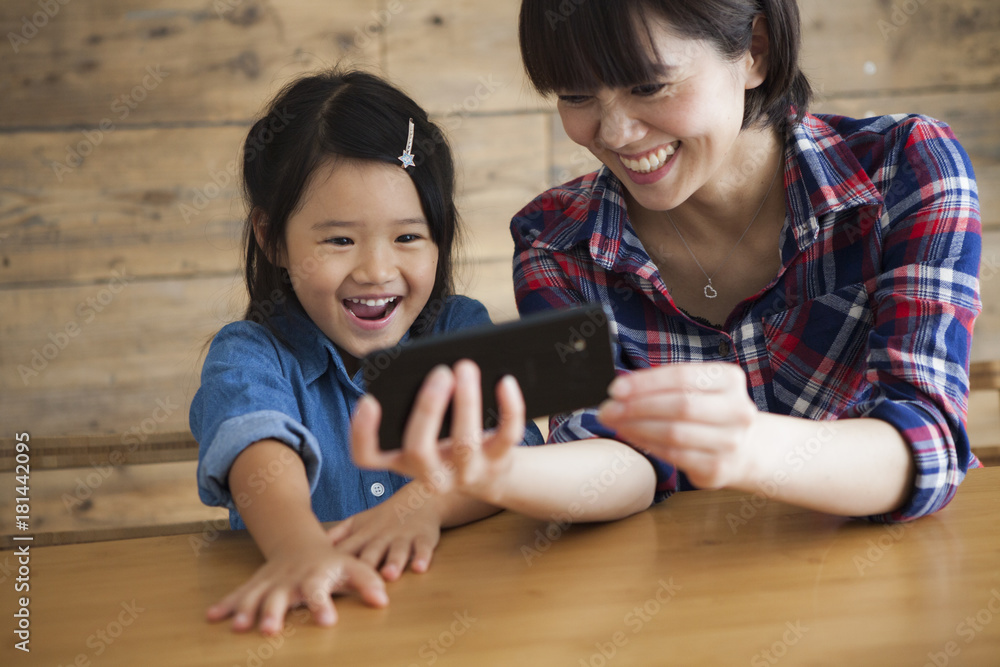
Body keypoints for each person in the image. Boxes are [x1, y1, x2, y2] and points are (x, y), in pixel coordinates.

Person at [191, 69, 653, 636]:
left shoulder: (460, 331)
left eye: (408, 237)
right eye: (339, 240)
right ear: (272, 240)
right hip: (311, 627)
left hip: (449, 622)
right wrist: (298, 549)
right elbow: (257, 449)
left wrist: (426, 503)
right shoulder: (250, 353)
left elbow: (503, 461)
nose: (376, 271)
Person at [503, 0, 983, 522]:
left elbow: (928, 443)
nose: (615, 133)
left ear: (756, 51)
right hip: (691, 587)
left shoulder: (902, 169)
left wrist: (745, 446)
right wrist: (491, 471)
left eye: (648, 86)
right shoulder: (555, 241)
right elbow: (607, 454)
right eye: (576, 95)